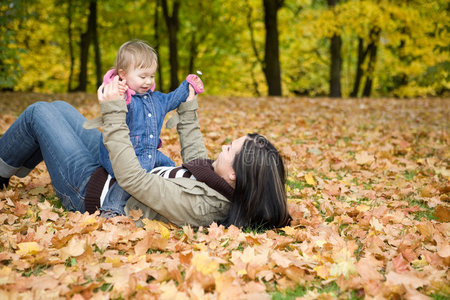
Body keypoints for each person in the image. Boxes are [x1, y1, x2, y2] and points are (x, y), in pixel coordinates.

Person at [0, 78, 291, 229]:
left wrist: (114, 112)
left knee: (39, 113)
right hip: (113, 168)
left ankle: (4, 169)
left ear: (234, 174)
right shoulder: (221, 186)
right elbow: (196, 160)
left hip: (92, 189)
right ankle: (16, 160)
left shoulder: (199, 207)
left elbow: (133, 179)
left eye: (231, 149)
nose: (225, 146)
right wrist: (188, 108)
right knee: (61, 108)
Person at [95, 39, 204, 218]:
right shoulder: (123, 97)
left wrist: (188, 86)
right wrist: (118, 92)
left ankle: (164, 199)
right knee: (132, 176)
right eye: (142, 76)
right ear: (123, 74)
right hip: (120, 156)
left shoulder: (156, 99)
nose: (148, 81)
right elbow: (115, 106)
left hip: (148, 152)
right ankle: (110, 209)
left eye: (152, 76)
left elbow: (173, 98)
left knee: (169, 166)